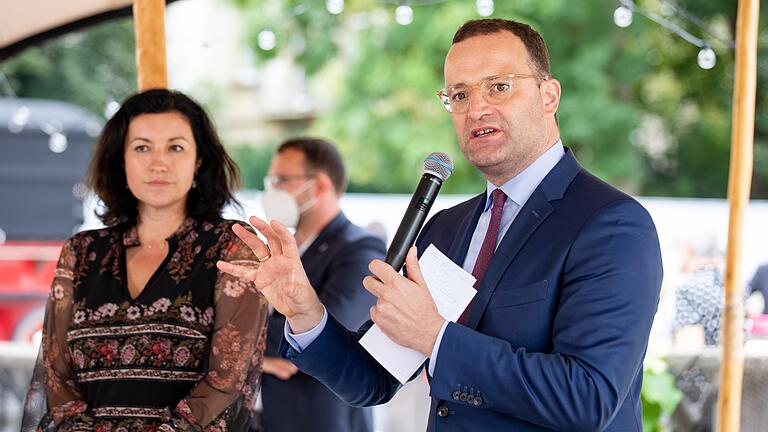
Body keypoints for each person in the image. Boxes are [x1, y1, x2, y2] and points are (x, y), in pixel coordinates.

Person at [219, 18, 663, 431]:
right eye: (460, 94)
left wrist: (437, 337)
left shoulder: (612, 224)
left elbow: (589, 398)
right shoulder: (448, 228)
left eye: (499, 87)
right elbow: (372, 379)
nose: (477, 108)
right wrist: (303, 310)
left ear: (549, 95)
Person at [22, 89, 268, 431]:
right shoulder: (80, 253)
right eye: (141, 147)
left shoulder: (233, 247)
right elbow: (56, 376)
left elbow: (229, 380)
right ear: (120, 160)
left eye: (176, 147)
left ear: (199, 160)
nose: (158, 163)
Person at [256, 138, 384, 432]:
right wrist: (262, 356)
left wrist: (229, 336)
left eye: (282, 180)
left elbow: (327, 333)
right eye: (270, 180)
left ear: (320, 185)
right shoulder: (284, 249)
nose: (272, 190)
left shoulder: (361, 249)